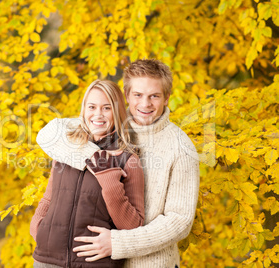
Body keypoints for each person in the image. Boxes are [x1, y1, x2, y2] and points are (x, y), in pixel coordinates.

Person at [36, 59, 200, 268]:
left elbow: (179, 222)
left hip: (149, 264)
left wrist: (118, 243)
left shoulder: (181, 147)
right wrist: (97, 159)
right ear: (126, 96)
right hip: (95, 261)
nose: (145, 104)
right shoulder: (103, 123)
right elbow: (48, 133)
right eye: (138, 95)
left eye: (154, 96)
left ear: (167, 98)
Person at [30, 80, 145, 268]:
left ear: (117, 112)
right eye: (92, 107)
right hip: (46, 260)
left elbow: (133, 226)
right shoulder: (68, 148)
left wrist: (110, 182)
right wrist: (38, 228)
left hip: (94, 263)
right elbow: (48, 199)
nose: (98, 114)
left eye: (106, 108)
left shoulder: (127, 160)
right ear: (84, 109)